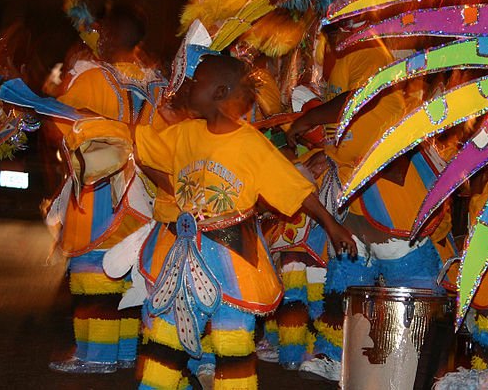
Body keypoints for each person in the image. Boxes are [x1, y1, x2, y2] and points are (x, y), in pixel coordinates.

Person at [89, 53, 357, 390]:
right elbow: (143, 147)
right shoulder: (184, 133)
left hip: (234, 258)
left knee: (232, 345)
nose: (186, 89)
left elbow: (296, 189)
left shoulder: (251, 144)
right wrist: (101, 128)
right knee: (166, 336)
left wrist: (332, 226)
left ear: (219, 92)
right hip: (184, 256)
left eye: (195, 82)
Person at [286, 37, 447, 382]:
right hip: (354, 192)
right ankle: (336, 354)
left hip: (389, 190)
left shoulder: (369, 52)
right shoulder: (343, 57)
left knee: (408, 278)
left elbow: (363, 96)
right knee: (347, 275)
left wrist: (309, 117)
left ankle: (407, 362)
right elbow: (344, 134)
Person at [47, 3, 168, 374]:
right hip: (144, 195)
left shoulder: (92, 78)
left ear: (108, 37)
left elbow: (63, 123)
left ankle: (95, 355)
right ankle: (127, 351)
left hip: (99, 193)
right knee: (130, 273)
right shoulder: (157, 83)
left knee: (92, 270)